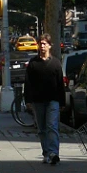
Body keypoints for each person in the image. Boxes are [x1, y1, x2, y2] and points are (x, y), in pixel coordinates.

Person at [24, 33, 66, 165]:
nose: (42, 46)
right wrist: (28, 100)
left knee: (52, 126)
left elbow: (60, 84)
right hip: (38, 100)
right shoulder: (33, 63)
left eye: (44, 43)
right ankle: (46, 153)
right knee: (41, 129)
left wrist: (62, 101)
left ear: (49, 45)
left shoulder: (56, 63)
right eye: (40, 43)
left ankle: (54, 153)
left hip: (52, 100)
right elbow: (28, 83)